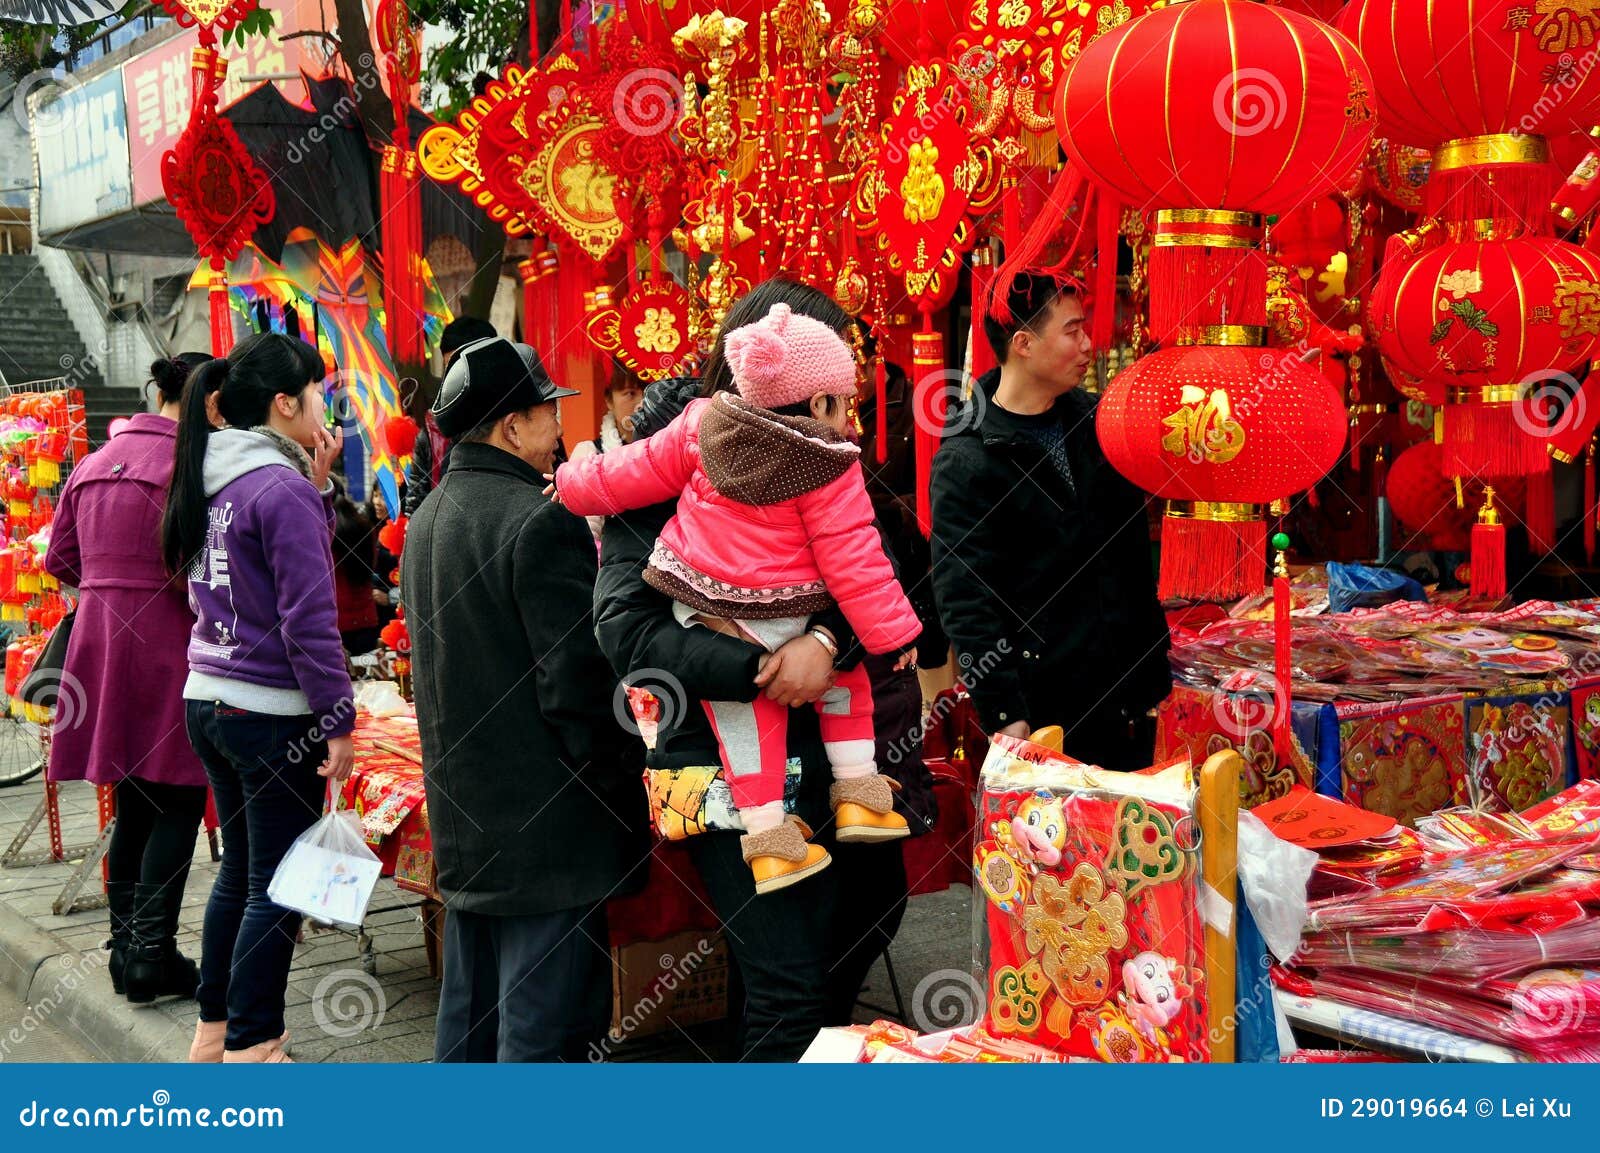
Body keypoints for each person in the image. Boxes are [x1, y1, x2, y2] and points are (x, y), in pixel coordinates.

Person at [592, 278, 920, 1059]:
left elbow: (896, 574)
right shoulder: (677, 457)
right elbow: (625, 627)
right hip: (723, 758)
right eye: (834, 376)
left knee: (848, 945)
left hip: (847, 763)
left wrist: (827, 642)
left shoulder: (831, 457)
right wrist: (765, 666)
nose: (844, 399)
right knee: (788, 982)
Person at [555, 303, 921, 894]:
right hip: (786, 615)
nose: (850, 419)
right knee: (845, 690)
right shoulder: (831, 464)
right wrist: (891, 637)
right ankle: (858, 794)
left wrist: (571, 482)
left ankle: (771, 844)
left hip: (701, 602)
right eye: (844, 402)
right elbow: (860, 565)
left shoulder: (699, 425)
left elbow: (622, 473)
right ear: (824, 402)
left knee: (748, 732)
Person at [402, 336, 646, 1063]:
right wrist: (621, 781)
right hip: (548, 830)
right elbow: (574, 687)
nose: (557, 434)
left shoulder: (430, 516)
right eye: (547, 416)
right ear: (511, 425)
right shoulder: (539, 518)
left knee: (473, 1016)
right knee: (543, 1026)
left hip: (467, 817)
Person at [161, 332, 354, 1063]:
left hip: (208, 699)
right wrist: (337, 718)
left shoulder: (218, 478)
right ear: (285, 401)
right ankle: (255, 1045)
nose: (323, 406)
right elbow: (310, 618)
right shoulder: (280, 490)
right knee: (276, 885)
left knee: (240, 872)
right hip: (269, 713)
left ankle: (216, 1031)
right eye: (316, 393)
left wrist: (320, 484)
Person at [930, 271, 1171, 770]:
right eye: (1072, 330)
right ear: (1023, 343)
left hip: (1130, 696)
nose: (1087, 345)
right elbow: (963, 596)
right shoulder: (968, 458)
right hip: (1043, 705)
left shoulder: (1102, 422)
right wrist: (1004, 708)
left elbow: (1132, 555)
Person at [44, 353, 213, 1005]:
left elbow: (60, 558)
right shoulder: (186, 470)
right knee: (178, 795)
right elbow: (201, 568)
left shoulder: (90, 465)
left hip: (101, 647)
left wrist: (108, 585)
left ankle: (126, 951)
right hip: (167, 643)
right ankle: (150, 953)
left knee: (135, 800)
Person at [404, 315, 496, 515]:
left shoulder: (519, 417)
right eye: (450, 368)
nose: (455, 377)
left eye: (461, 366)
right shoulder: (432, 431)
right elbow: (416, 507)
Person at [568, 366, 646, 538]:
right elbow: (585, 532)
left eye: (649, 393)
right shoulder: (589, 454)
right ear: (609, 400)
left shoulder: (671, 451)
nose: (641, 403)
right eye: (630, 393)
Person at [330, 477, 381, 656]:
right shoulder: (366, 526)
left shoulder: (323, 531)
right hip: (367, 620)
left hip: (336, 623)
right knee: (370, 680)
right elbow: (372, 566)